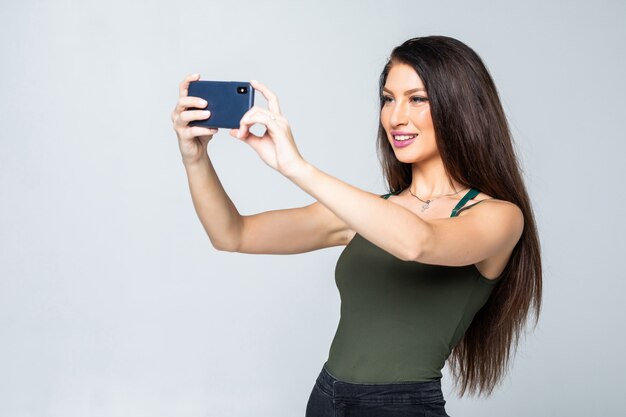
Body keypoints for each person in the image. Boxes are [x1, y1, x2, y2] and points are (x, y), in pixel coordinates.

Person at [170, 35, 542, 417]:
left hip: (400, 408)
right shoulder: (369, 211)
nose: (395, 117)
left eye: (417, 99)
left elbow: (418, 243)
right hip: (325, 398)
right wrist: (194, 157)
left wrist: (296, 168)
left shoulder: (499, 216)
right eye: (388, 98)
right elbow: (232, 234)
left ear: (460, 107)